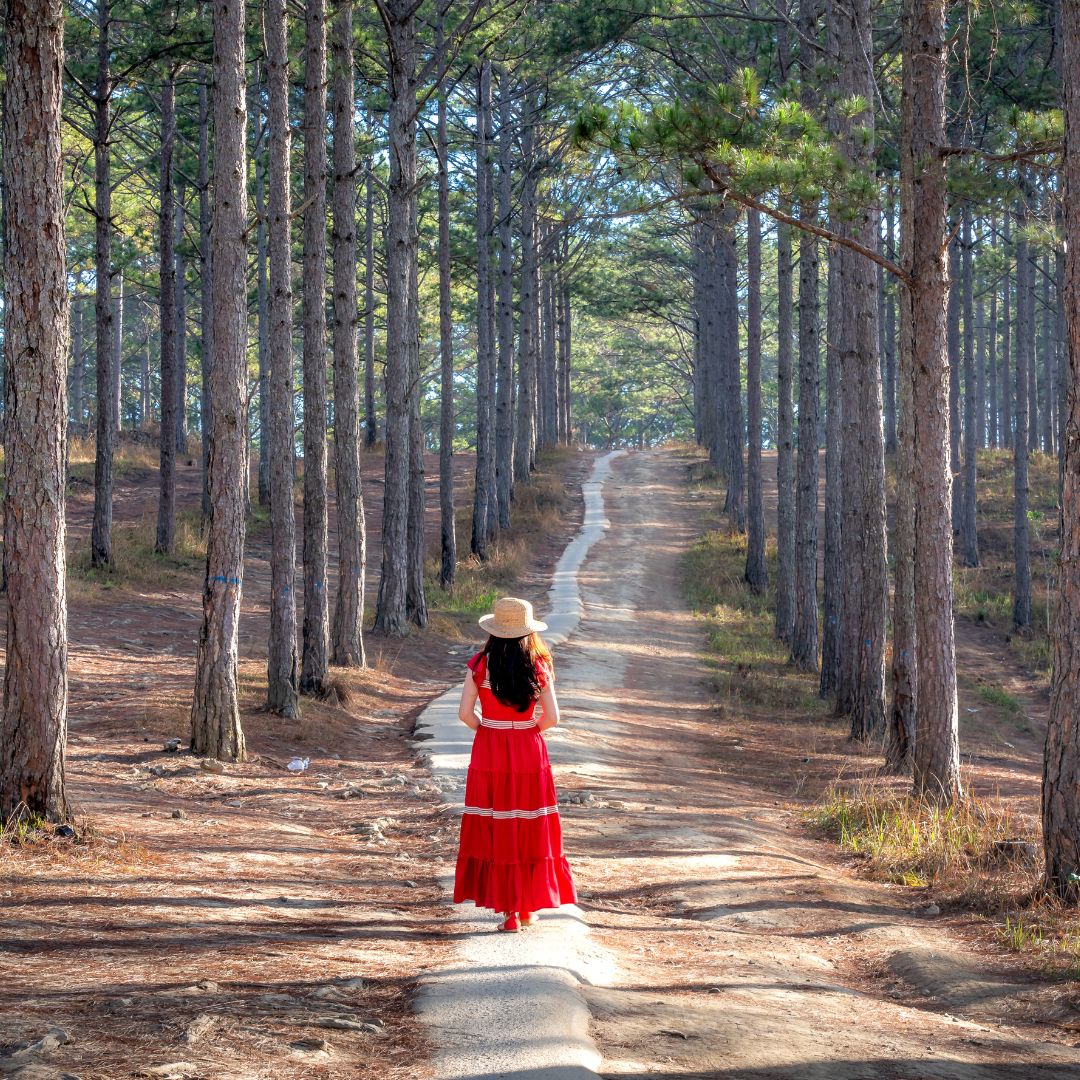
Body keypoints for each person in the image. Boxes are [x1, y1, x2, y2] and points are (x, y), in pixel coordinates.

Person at [453, 596, 577, 932]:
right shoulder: (539, 666)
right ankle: (526, 908)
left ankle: (509, 912)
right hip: (528, 747)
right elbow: (552, 717)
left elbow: (465, 713)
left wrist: (488, 730)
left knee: (496, 822)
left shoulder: (480, 664)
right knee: (528, 824)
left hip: (489, 747)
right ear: (528, 632)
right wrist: (525, 731)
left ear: (494, 630)